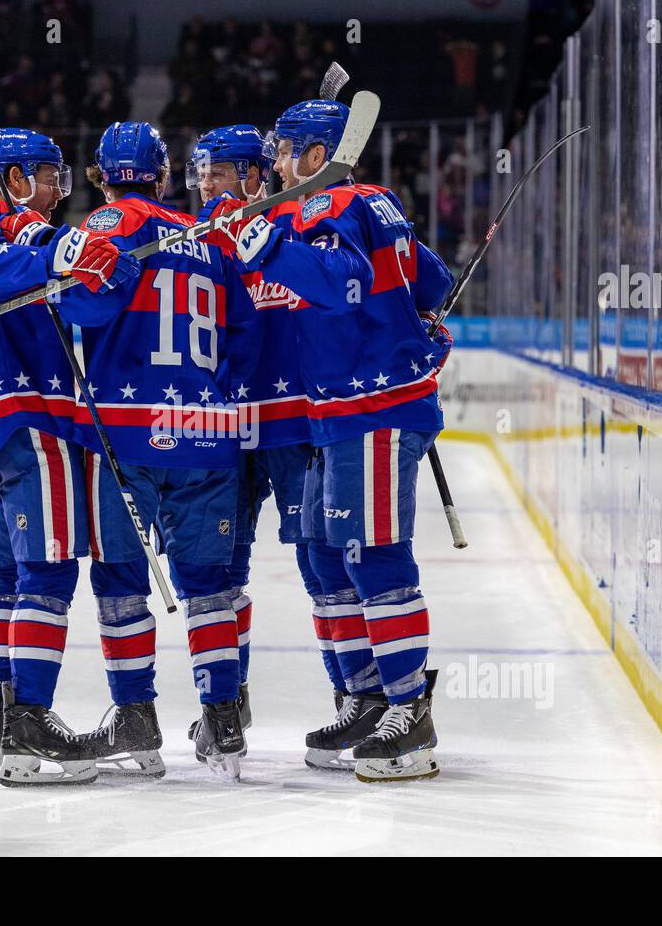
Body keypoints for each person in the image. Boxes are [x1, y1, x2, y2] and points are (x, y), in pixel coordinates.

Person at [206, 99, 455, 782]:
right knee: (324, 552)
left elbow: (342, 285)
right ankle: (370, 698)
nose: (275, 164)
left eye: (284, 151)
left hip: (372, 407)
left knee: (373, 556)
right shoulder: (373, 205)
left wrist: (259, 241)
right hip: (338, 414)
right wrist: (417, 318)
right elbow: (432, 280)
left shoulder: (332, 208)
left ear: (318, 157)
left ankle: (409, 714)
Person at [0, 127, 134, 786]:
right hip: (22, 416)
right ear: (14, 178)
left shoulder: (30, 237)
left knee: (6, 579)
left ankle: (0, 726)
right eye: (47, 176)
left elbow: (88, 304)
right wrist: (70, 247)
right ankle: (30, 725)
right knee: (45, 573)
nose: (57, 189)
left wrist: (108, 266)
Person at [55, 121, 259, 781]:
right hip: (206, 433)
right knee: (210, 586)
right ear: (164, 176)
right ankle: (224, 720)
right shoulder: (206, 239)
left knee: (119, 579)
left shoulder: (112, 224)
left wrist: (64, 277)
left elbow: (85, 309)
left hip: (126, 433)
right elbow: (247, 336)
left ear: (103, 174)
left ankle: (135, 715)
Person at [186, 124, 332, 743]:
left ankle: (358, 697)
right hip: (225, 426)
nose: (204, 186)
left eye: (217, 173)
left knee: (321, 559)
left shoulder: (296, 222)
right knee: (222, 567)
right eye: (200, 174)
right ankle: (229, 700)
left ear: (253, 174)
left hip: (293, 422)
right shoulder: (198, 239)